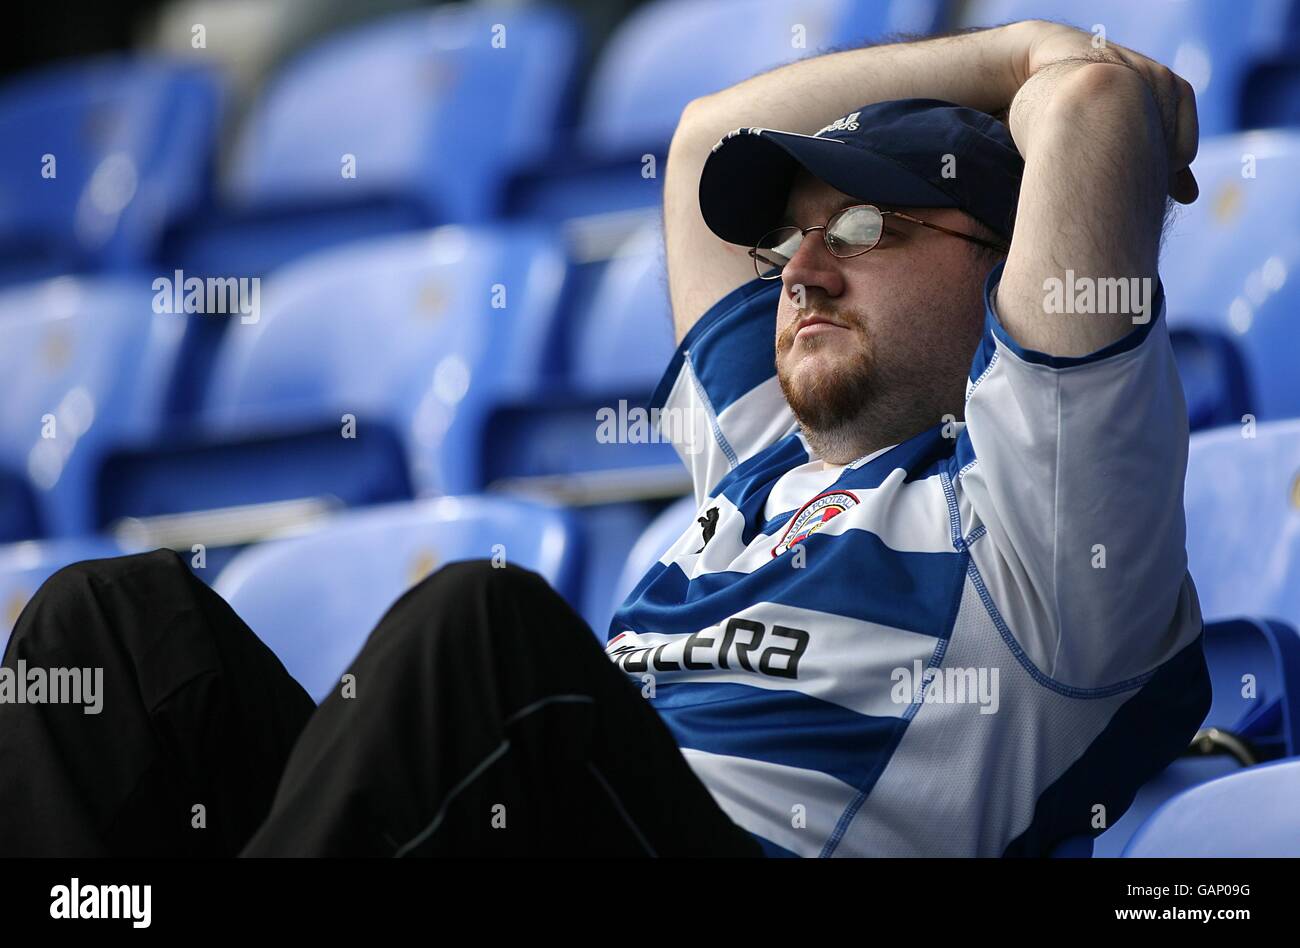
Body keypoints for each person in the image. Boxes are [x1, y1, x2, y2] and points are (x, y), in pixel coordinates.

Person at [0, 19, 1209, 858]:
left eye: (861, 221)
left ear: (1005, 272)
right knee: (111, 627)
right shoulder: (758, 458)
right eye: (788, 242)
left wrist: (1059, 71)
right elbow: (704, 142)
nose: (805, 271)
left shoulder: (1041, 527)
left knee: (484, 641)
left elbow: (1094, 108)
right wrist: (1008, 51)